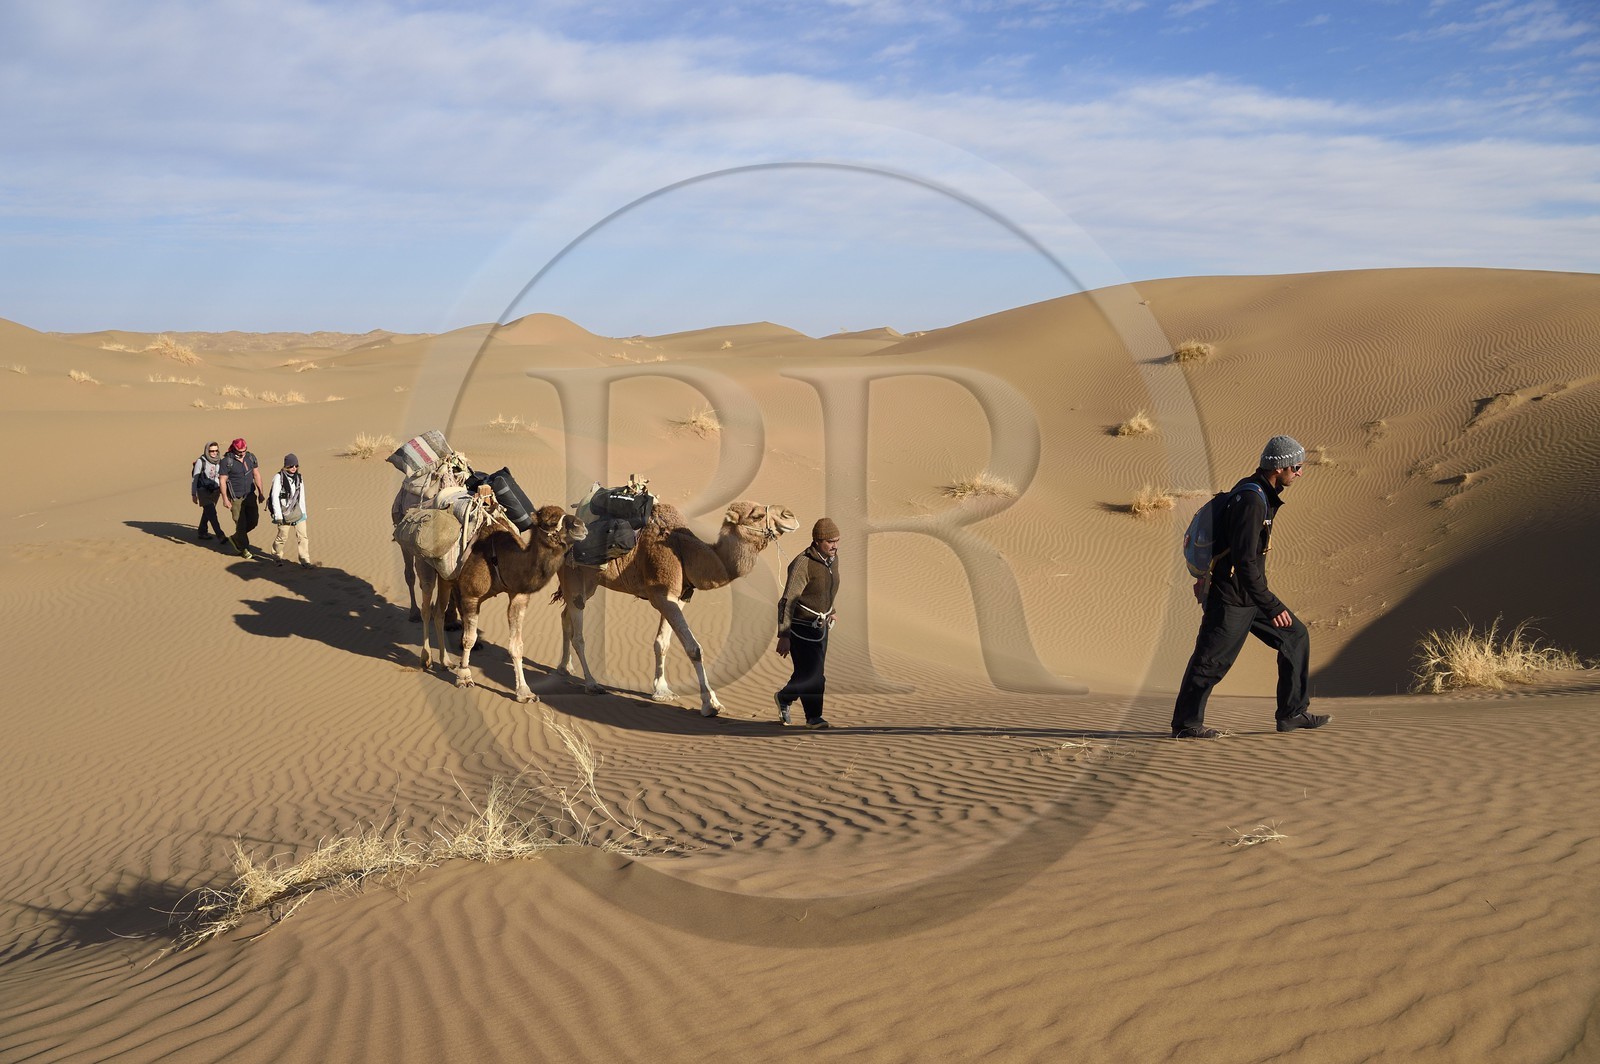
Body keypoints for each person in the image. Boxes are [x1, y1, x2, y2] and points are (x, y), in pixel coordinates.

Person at [1171, 436, 1329, 738]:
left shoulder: (1259, 492)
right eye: (1296, 467)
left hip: (1251, 595)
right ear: (1279, 467)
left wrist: (1263, 601)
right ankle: (1186, 725)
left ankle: (1292, 713)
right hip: (1232, 597)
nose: (1299, 473)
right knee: (1210, 662)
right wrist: (1271, 605)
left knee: (1295, 636)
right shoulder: (1252, 501)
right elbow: (1244, 562)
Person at [774, 517, 841, 729]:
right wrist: (784, 635)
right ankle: (814, 717)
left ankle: (785, 697)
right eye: (830, 541)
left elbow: (827, 588)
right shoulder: (802, 564)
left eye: (837, 540)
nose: (835, 545)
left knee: (806, 672)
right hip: (801, 626)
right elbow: (786, 601)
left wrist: (831, 610)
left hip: (821, 626)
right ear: (817, 541)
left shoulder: (832, 559)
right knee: (814, 675)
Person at [218, 437, 264, 559]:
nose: (242, 453)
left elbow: (256, 474)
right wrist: (225, 499)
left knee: (253, 521)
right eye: (240, 451)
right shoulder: (227, 461)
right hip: (236, 498)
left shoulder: (251, 457)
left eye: (244, 450)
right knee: (241, 524)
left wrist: (261, 492)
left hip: (250, 496)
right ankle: (244, 549)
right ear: (234, 449)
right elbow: (222, 480)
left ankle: (235, 538)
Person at [268, 453, 314, 567]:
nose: (294, 468)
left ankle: (305, 560)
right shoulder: (279, 477)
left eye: (296, 465)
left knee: (303, 536)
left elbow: (301, 496)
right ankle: (276, 556)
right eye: (291, 466)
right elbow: (274, 497)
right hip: (284, 513)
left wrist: (304, 513)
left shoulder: (299, 477)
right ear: (286, 466)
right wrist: (278, 515)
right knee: (282, 536)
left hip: (298, 512)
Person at [191, 441, 225, 541]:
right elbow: (195, 479)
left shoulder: (220, 460)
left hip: (215, 490)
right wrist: (193, 494)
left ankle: (202, 531)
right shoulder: (201, 461)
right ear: (207, 451)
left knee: (208, 512)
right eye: (211, 451)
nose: (214, 453)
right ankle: (220, 535)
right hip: (203, 490)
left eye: (216, 450)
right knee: (212, 513)